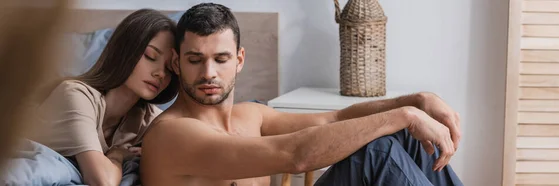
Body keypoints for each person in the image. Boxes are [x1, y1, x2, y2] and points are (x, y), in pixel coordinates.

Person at [141, 3, 464, 186]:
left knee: (406, 137)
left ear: (239, 60)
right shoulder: (171, 134)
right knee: (377, 151)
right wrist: (403, 116)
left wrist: (414, 101)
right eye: (195, 60)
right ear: (176, 63)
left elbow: (334, 118)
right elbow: (295, 156)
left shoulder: (250, 116)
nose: (209, 73)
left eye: (221, 59)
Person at [27, 9, 179, 186]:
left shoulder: (149, 120)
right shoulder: (75, 95)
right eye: (150, 56)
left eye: (169, 68)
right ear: (124, 51)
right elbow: (102, 181)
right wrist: (117, 155)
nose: (160, 73)